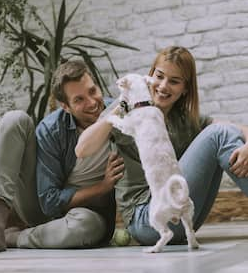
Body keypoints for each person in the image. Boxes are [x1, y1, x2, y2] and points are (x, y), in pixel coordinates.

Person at [75, 46, 248, 245]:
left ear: (185, 89)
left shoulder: (184, 119)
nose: (163, 86)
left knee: (225, 133)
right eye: (160, 76)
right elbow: (82, 149)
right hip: (146, 219)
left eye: (174, 81)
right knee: (219, 134)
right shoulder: (128, 110)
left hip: (183, 216)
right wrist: (122, 107)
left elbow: (237, 129)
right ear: (150, 76)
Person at [0, 60, 124, 256]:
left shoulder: (117, 113)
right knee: (15, 120)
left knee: (87, 227)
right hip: (42, 210)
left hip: (87, 216)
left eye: (92, 91)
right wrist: (102, 187)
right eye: (79, 99)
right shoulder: (52, 129)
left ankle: (11, 238)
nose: (91, 103)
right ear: (65, 106)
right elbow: (49, 201)